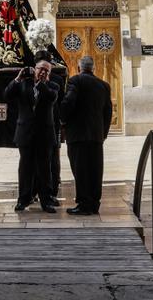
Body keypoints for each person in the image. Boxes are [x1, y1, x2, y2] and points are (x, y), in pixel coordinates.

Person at [59, 55, 112, 215]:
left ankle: (83, 204)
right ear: (93, 68)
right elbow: (108, 112)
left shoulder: (75, 81)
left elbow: (69, 102)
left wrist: (62, 118)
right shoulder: (104, 85)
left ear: (79, 67)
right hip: (96, 135)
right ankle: (94, 203)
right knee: (95, 170)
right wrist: (103, 133)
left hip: (78, 135)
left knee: (80, 170)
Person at [5, 60, 59, 212]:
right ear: (34, 69)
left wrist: (41, 83)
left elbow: (51, 98)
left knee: (44, 169)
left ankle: (46, 201)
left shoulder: (53, 86)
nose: (42, 72)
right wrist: (18, 78)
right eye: (40, 69)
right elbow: (7, 94)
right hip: (25, 132)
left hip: (44, 134)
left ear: (49, 74)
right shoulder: (22, 84)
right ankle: (23, 199)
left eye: (46, 71)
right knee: (25, 168)